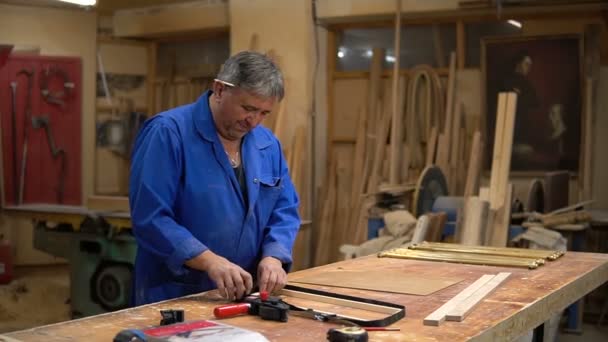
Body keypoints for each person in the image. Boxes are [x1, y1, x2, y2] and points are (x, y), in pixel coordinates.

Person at [129, 51, 300, 306]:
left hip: (243, 293)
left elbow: (284, 209)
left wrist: (274, 256)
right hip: (176, 294)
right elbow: (150, 218)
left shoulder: (267, 144)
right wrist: (210, 261)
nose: (253, 121)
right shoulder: (167, 133)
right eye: (248, 108)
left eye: (264, 113)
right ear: (219, 90)